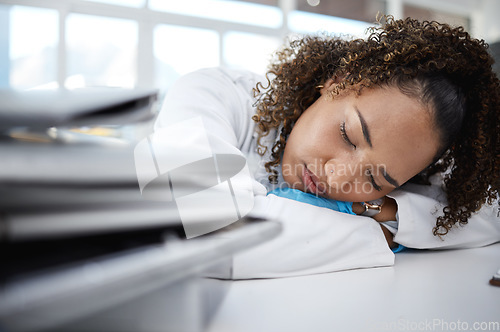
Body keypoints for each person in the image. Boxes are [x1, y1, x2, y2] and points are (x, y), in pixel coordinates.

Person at [154, 16, 500, 279]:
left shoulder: (408, 160)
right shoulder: (214, 93)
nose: (338, 177)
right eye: (349, 135)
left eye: (374, 179)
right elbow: (206, 233)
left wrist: (386, 212)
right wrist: (376, 231)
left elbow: (491, 214)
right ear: (337, 81)